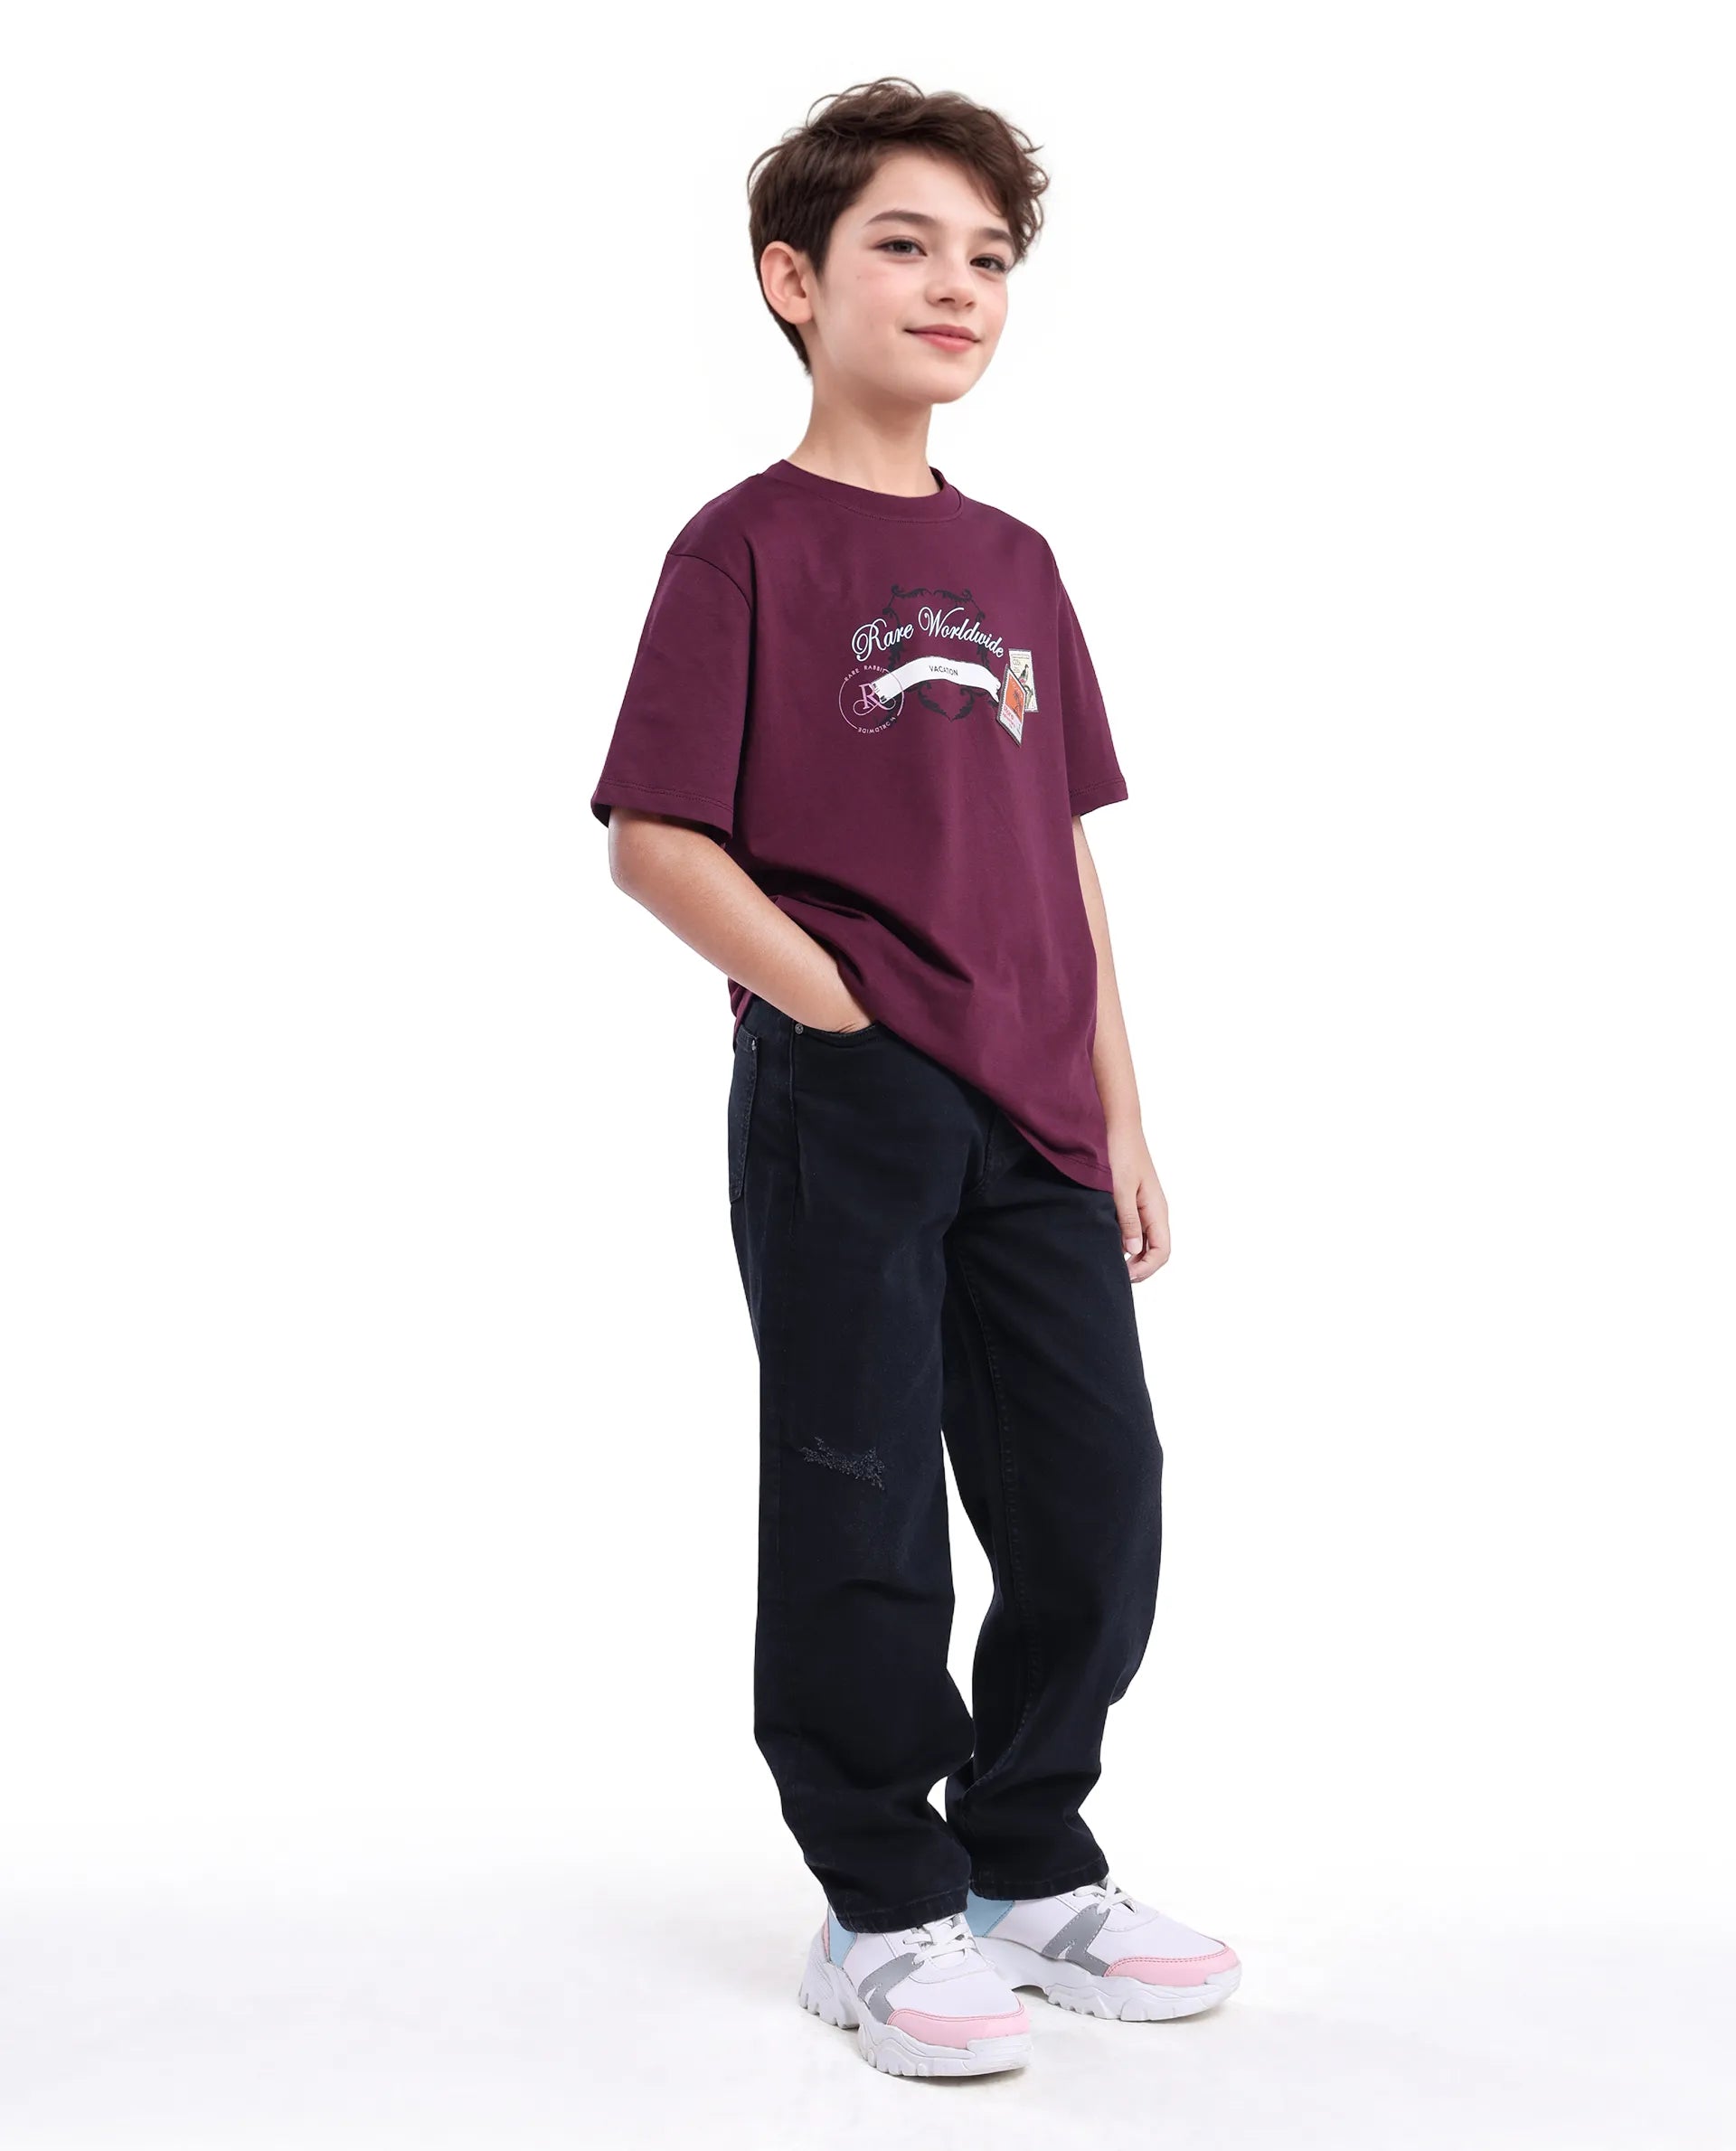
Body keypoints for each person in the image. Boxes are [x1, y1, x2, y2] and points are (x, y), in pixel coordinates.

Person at [590, 78, 1239, 2079]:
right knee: (859, 1496)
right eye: (905, 244)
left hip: (1039, 1101)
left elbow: (1061, 855)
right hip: (849, 1102)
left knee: (1095, 1496)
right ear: (792, 280)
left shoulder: (1020, 565)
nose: (957, 283)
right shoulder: (742, 549)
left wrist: (1121, 1107)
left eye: (989, 256)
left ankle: (1026, 1863)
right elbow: (654, 840)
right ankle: (877, 1903)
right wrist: (837, 1004)